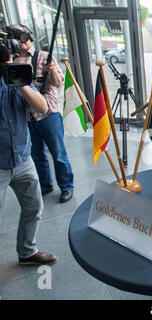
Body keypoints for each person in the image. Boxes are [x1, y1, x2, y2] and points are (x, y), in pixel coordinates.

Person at [0, 45, 59, 269]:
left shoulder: (19, 79)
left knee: (34, 207)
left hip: (23, 159)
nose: (9, 65)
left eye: (12, 60)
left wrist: (20, 84)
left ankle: (27, 251)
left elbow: (43, 107)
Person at [12, 24, 74, 203]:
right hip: (26, 116)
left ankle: (66, 186)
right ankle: (46, 186)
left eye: (19, 36)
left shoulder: (43, 57)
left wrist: (52, 70)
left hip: (49, 113)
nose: (18, 41)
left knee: (58, 153)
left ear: (27, 36)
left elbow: (58, 82)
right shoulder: (13, 60)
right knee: (36, 154)